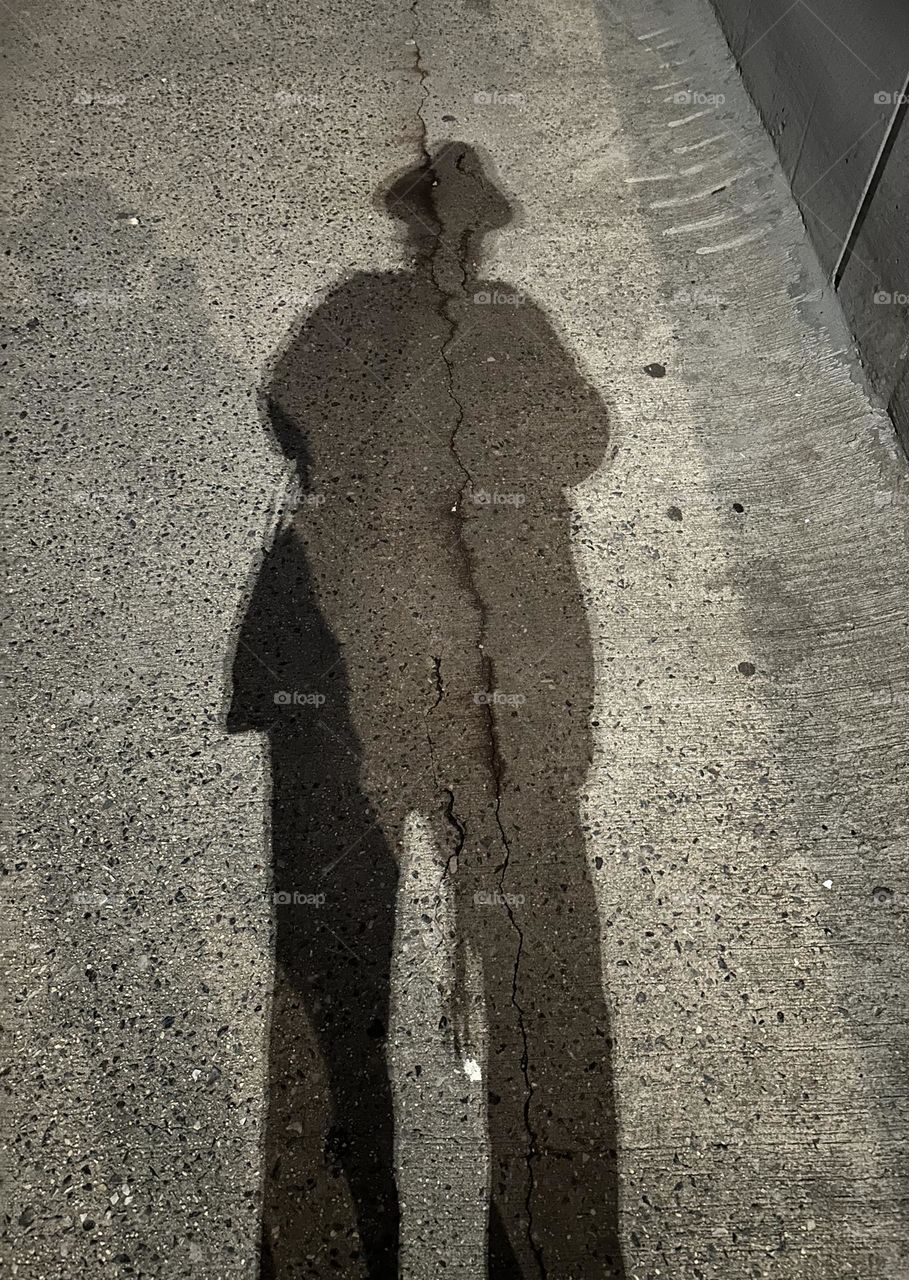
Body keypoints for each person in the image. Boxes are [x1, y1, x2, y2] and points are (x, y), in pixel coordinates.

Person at [229, 140, 625, 1278]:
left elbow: (290, 409)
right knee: (532, 953)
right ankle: (550, 1244)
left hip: (358, 654)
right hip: (490, 667)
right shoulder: (511, 318)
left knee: (330, 969)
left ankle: (328, 1243)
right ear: (480, 232)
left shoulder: (354, 312)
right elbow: (585, 439)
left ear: (406, 229)